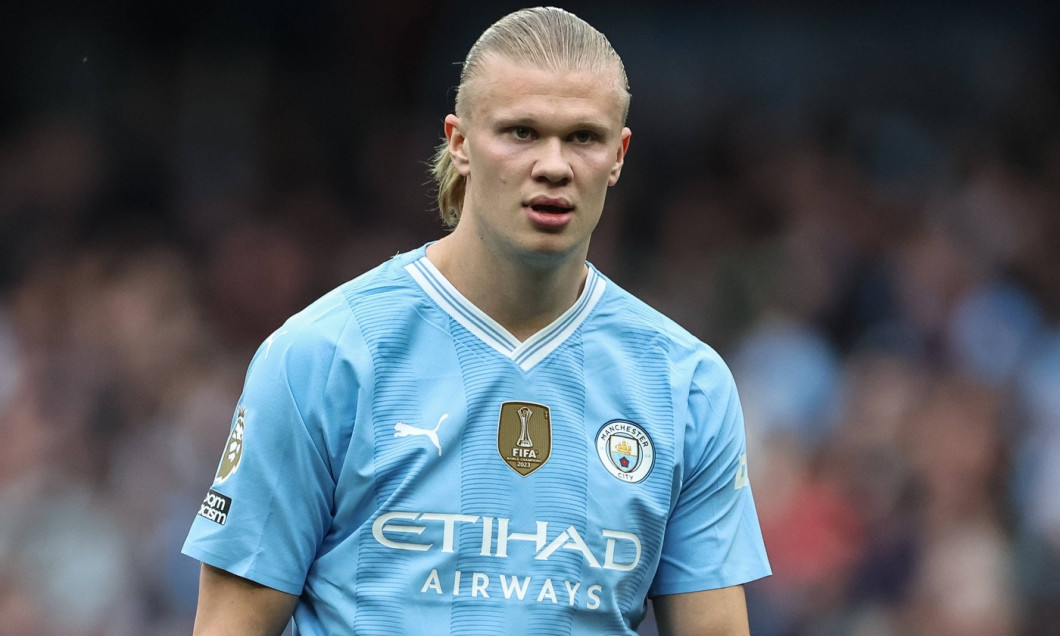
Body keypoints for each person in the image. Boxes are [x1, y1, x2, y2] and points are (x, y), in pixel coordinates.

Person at [182, 7, 770, 635]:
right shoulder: (321, 356)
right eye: (520, 132)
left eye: (583, 137)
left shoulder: (685, 383)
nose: (553, 164)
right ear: (459, 143)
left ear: (618, 155)